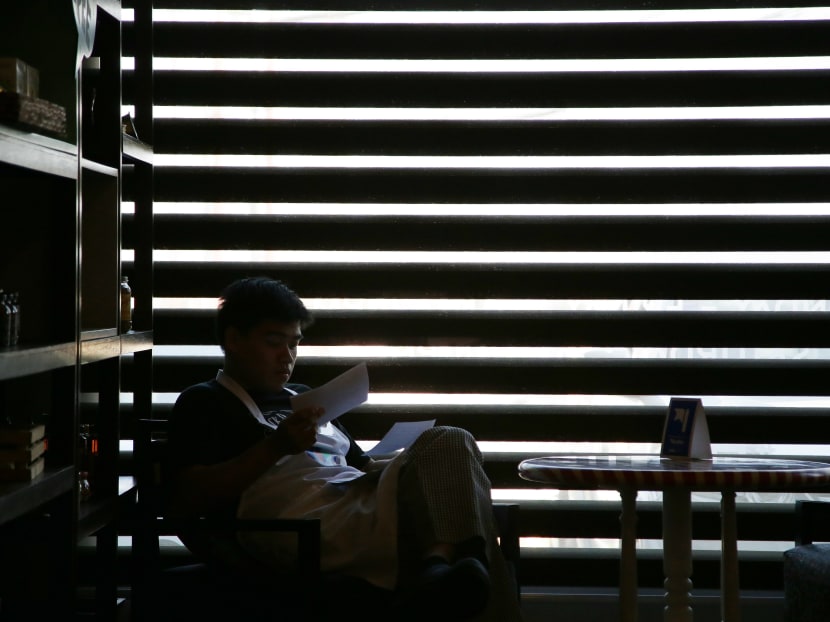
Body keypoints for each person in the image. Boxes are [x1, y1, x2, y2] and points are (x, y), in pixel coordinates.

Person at [166, 276, 523, 621]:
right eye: (274, 342)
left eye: (294, 343)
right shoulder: (206, 402)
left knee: (451, 439)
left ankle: (441, 564)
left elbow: (356, 463)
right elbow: (189, 497)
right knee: (467, 521)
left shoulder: (303, 397)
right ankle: (448, 561)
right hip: (302, 524)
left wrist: (404, 462)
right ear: (234, 339)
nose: (287, 356)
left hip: (353, 500)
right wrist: (276, 446)